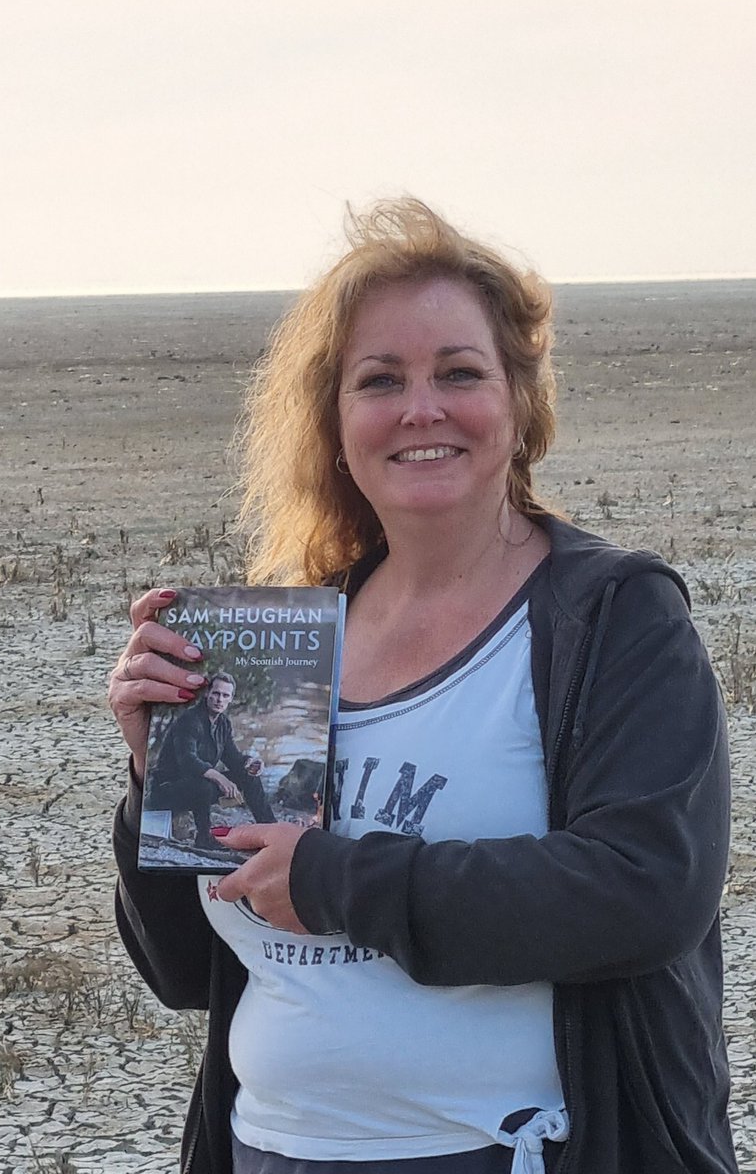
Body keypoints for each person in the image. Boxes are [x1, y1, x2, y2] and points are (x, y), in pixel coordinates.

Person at [107, 198, 738, 1174]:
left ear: (520, 402)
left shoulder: (608, 618)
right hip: (266, 1147)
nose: (421, 409)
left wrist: (334, 879)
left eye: (459, 372)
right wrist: (161, 780)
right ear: (335, 423)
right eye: (380, 380)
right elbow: (188, 972)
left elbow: (646, 889)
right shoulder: (284, 640)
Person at [147, 671, 275, 848]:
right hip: (167, 790)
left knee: (248, 776)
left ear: (231, 699)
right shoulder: (190, 720)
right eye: (216, 693)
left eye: (225, 695)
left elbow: (232, 758)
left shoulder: (223, 723)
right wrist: (220, 778)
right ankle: (204, 838)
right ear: (207, 693)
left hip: (196, 789)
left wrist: (250, 763)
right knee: (204, 784)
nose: (219, 700)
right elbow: (188, 761)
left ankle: (271, 830)